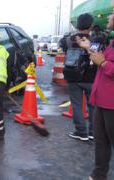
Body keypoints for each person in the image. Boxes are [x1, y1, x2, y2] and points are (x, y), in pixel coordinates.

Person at [76, 12, 114, 180]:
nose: (109, 17)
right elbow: (101, 58)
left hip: (112, 103)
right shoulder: (112, 42)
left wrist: (104, 64)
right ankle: (98, 176)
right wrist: (88, 48)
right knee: (101, 143)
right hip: (101, 99)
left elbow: (104, 62)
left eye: (112, 14)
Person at [60, 13, 97, 141]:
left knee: (76, 104)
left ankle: (81, 132)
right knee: (92, 105)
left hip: (73, 75)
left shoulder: (68, 39)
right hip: (91, 77)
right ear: (91, 25)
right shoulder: (96, 39)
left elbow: (63, 47)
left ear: (77, 25)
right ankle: (93, 132)